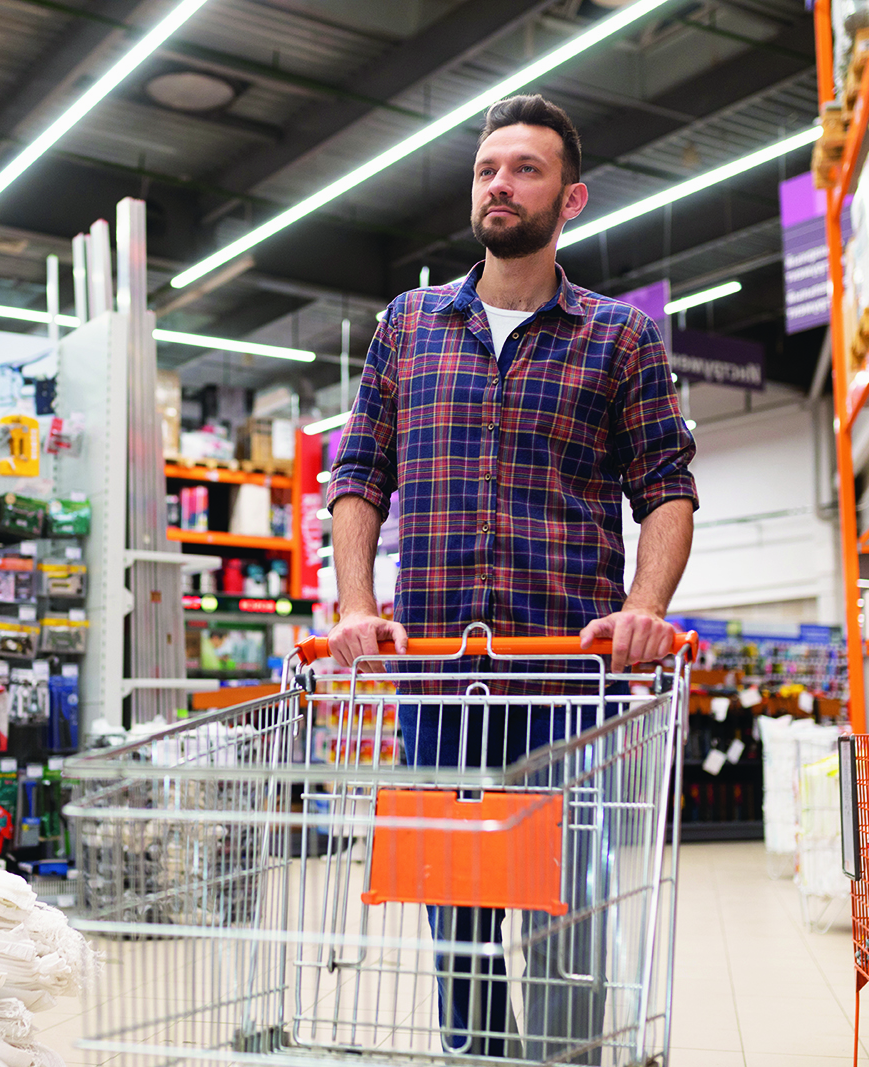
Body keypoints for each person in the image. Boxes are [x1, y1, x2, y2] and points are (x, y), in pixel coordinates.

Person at [322, 94, 699, 1060]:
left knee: (568, 920)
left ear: (570, 199)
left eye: (526, 168)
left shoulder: (617, 337)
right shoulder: (408, 326)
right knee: (461, 921)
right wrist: (358, 606)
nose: (501, 183)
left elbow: (666, 486)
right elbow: (359, 475)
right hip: (441, 677)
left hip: (571, 683)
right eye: (490, 167)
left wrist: (646, 609)